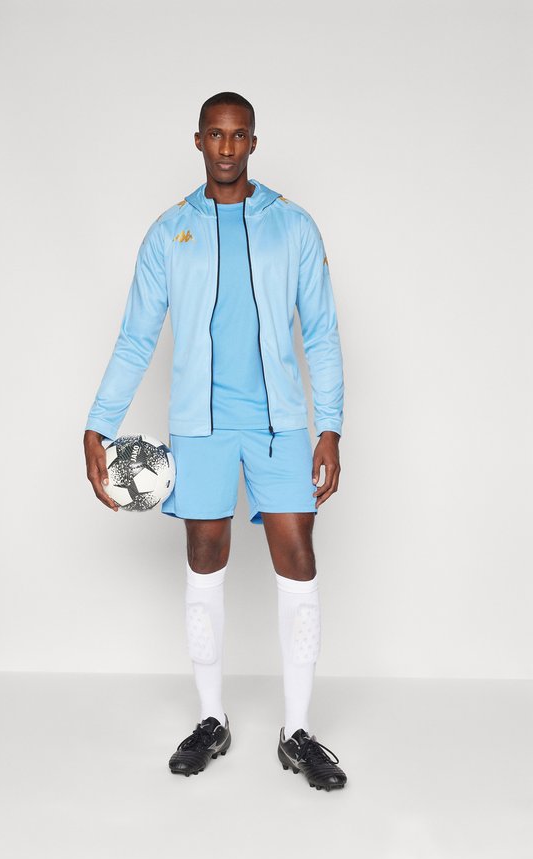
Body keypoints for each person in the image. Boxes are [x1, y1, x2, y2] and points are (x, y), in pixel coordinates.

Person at [83, 91, 347, 791]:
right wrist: (98, 423)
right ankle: (211, 720)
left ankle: (297, 731)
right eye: (215, 135)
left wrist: (329, 426)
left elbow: (321, 332)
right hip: (199, 425)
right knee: (204, 557)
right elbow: (136, 337)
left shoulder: (293, 226)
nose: (227, 148)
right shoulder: (169, 233)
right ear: (198, 140)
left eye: (239, 136)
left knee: (298, 556)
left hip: (279, 424)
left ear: (254, 143)